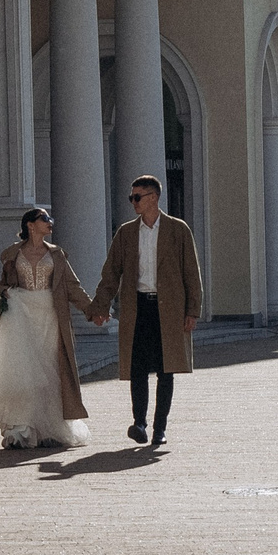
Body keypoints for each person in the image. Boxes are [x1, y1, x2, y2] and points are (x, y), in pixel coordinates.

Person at [89, 173, 203, 447]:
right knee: (137, 367)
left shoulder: (178, 230)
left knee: (167, 369)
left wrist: (193, 310)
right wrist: (100, 306)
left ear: (153, 198)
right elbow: (111, 273)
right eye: (131, 197)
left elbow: (191, 273)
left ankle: (159, 429)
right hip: (137, 307)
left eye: (137, 197)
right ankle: (139, 422)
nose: (133, 202)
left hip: (169, 310)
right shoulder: (127, 233)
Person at [0, 207, 95, 449]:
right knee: (22, 372)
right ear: (30, 225)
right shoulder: (12, 255)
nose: (50, 223)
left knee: (50, 371)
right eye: (45, 219)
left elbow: (72, 287)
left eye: (50, 219)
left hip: (49, 316)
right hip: (21, 316)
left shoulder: (57, 255)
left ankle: (49, 430)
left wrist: (92, 310)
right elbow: (2, 283)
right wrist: (4, 296)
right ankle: (20, 431)